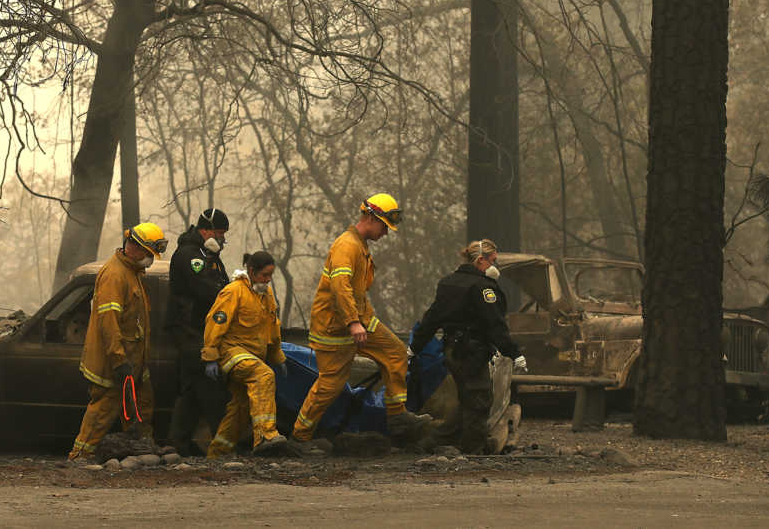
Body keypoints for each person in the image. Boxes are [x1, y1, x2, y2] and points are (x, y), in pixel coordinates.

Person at [290, 193, 432, 450]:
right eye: (384, 227)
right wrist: (353, 323)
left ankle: (398, 418)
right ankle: (299, 437)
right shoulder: (347, 246)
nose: (386, 234)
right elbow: (340, 286)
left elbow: (356, 291)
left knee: (396, 353)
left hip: (360, 320)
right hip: (335, 327)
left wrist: (361, 320)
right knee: (330, 386)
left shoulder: (360, 246)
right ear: (369, 217)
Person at [409, 239, 527, 454]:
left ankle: (434, 442)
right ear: (480, 260)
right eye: (493, 261)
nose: (495, 266)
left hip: (452, 351)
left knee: (467, 398)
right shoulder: (482, 288)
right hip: (471, 352)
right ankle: (473, 449)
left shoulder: (447, 283)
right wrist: (514, 353)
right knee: (480, 399)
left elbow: (432, 318)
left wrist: (415, 346)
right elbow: (495, 325)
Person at [68, 222, 168, 460]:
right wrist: (119, 360)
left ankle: (144, 449)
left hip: (134, 359)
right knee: (104, 408)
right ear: (133, 247)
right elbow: (109, 323)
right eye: (148, 253)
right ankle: (80, 455)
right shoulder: (114, 275)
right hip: (115, 360)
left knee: (142, 403)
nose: (151, 260)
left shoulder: (132, 273)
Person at [201, 251, 289, 458]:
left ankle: (218, 452)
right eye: (264, 275)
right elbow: (215, 324)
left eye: (270, 276)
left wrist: (278, 356)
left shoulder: (266, 295)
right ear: (251, 271)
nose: (267, 280)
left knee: (240, 407)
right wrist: (210, 357)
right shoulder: (233, 292)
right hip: (231, 353)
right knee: (263, 376)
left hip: (251, 355)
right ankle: (265, 435)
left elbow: (273, 327)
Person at [165, 208, 232, 454]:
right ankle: (224, 442)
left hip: (200, 328)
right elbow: (208, 290)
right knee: (210, 387)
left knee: (192, 391)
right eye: (219, 233)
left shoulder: (208, 255)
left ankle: (178, 442)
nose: (222, 238)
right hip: (189, 329)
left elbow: (221, 284)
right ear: (205, 230)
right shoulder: (189, 256)